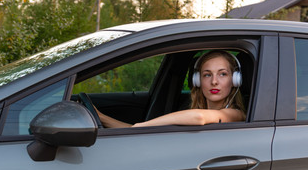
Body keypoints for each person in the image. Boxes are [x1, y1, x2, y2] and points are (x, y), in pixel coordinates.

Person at [96, 50, 246, 128]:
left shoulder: (236, 114)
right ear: (197, 80)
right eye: (207, 75)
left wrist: (141, 126)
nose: (214, 81)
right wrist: (101, 117)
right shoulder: (188, 112)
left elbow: (200, 118)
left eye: (223, 74)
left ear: (235, 80)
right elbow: (132, 130)